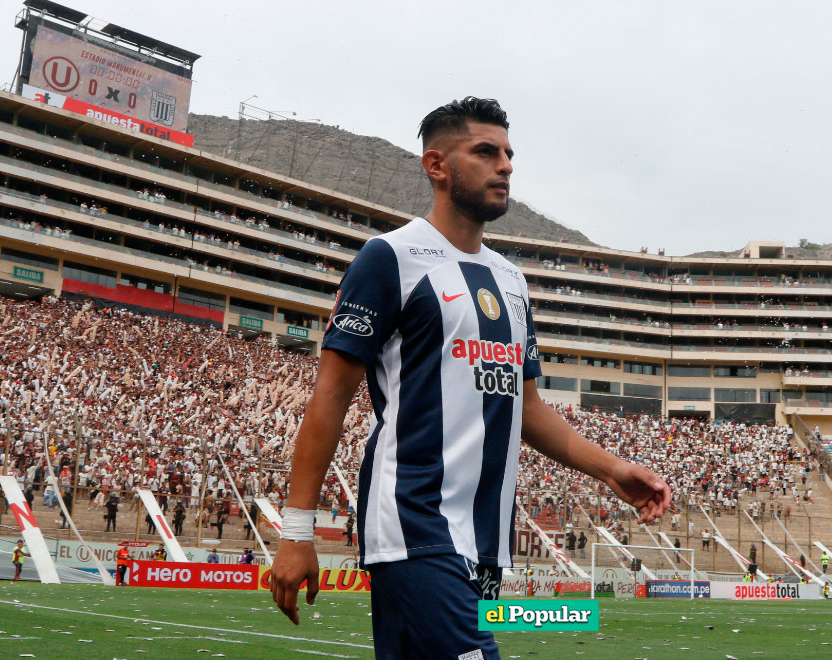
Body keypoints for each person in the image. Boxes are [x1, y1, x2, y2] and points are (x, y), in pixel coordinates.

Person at [269, 97, 672, 660]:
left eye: (509, 154)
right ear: (437, 166)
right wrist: (297, 529)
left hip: (484, 536)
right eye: (486, 152)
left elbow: (525, 408)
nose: (505, 165)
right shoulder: (390, 259)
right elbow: (331, 397)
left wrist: (612, 470)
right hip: (413, 520)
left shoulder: (511, 282)